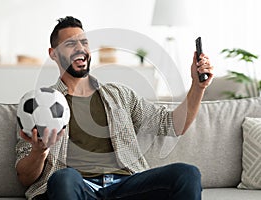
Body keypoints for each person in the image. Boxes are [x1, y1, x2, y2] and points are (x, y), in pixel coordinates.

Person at [15, 16, 214, 200]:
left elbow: (171, 125)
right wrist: (40, 152)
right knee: (64, 177)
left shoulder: (119, 95)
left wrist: (198, 86)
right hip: (78, 188)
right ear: (54, 54)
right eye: (70, 44)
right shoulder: (37, 106)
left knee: (187, 173)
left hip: (126, 186)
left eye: (84, 42)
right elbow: (25, 178)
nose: (80, 48)